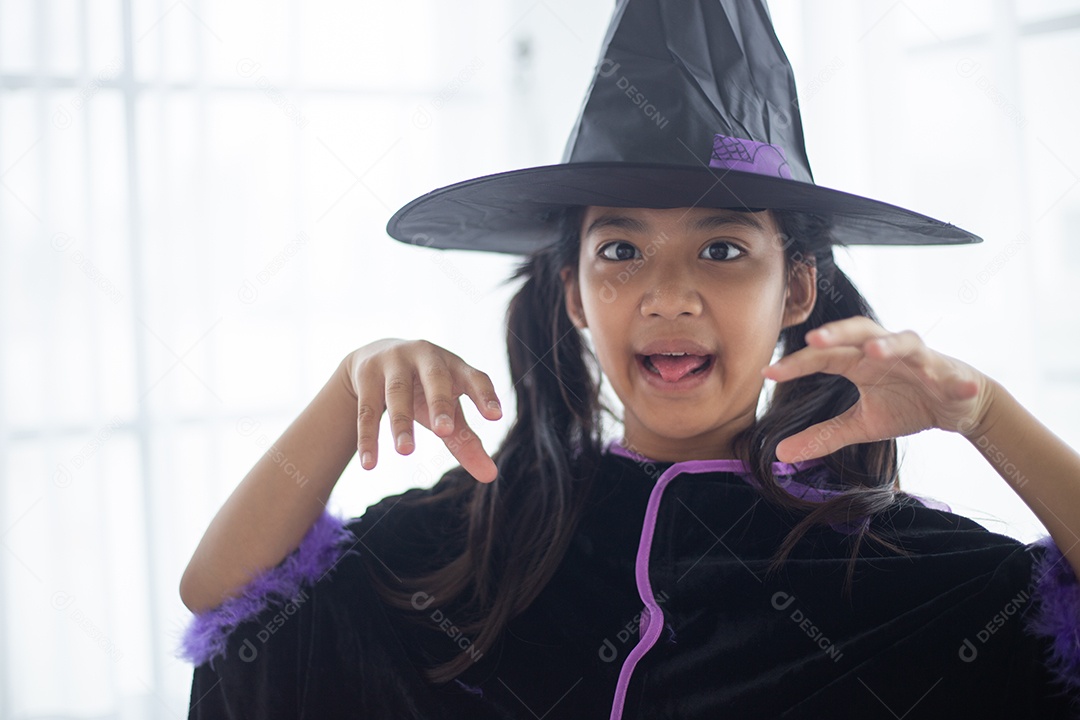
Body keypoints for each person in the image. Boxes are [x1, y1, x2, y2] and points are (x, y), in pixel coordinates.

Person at [177, 1, 1080, 718]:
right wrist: (346, 391)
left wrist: (987, 416)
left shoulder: (890, 564)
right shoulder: (480, 532)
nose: (668, 294)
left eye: (723, 250)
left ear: (797, 290)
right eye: (621, 251)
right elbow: (233, 603)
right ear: (572, 291)